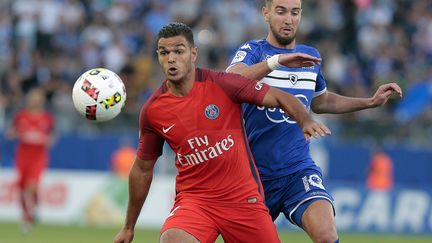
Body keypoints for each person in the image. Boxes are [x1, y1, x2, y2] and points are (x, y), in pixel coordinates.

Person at [114, 22, 330, 243]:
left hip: (242, 200)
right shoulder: (153, 110)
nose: (171, 58)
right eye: (164, 52)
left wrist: (304, 119)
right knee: (172, 239)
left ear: (193, 53)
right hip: (195, 201)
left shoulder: (223, 84)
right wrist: (128, 227)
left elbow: (281, 97)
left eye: (178, 51)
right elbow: (142, 169)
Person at [226, 0, 403, 242]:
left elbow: (320, 101)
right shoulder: (254, 51)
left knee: (327, 236)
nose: (288, 19)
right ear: (266, 14)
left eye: (295, 12)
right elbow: (230, 80)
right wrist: (276, 62)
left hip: (297, 170)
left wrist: (369, 102)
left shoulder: (309, 56)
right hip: (253, 176)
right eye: (281, 11)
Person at [6, 87, 55, 233]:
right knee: (21, 189)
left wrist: (47, 140)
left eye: (38, 97)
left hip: (38, 156)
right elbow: (12, 132)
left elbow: (51, 136)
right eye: (33, 97)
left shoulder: (47, 118)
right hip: (22, 155)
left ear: (41, 100)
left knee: (32, 185)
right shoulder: (21, 116)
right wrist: (16, 133)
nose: (35, 100)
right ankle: (26, 215)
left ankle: (30, 215)